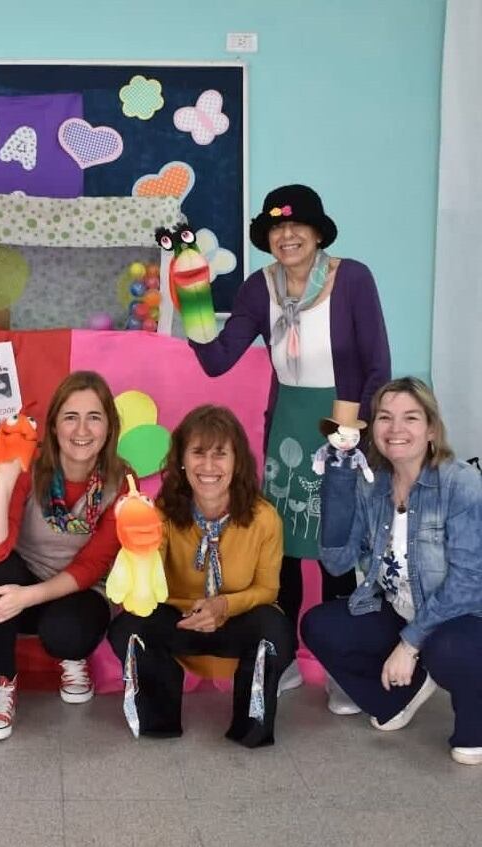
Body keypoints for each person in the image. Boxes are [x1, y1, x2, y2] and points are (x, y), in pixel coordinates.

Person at [188, 184, 390, 708]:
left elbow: (377, 365)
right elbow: (216, 360)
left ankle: (344, 669)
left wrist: (354, 429)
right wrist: (192, 301)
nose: (287, 235)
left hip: (342, 426)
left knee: (336, 552)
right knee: (278, 551)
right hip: (287, 430)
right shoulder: (260, 287)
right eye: (277, 228)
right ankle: (280, 657)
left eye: (298, 225)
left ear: (318, 232)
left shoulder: (353, 278)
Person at [301, 378, 482, 765]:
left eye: (410, 418)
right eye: (385, 417)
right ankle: (402, 692)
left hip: (461, 616)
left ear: (431, 429)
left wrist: (409, 643)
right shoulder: (373, 486)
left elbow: (469, 583)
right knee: (319, 625)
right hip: (400, 608)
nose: (396, 429)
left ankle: (473, 718)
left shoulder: (460, 484)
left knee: (449, 651)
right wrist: (337, 480)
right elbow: (337, 561)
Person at [108, 405, 295, 747]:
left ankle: (250, 727)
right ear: (181, 459)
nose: (208, 466)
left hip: (236, 619)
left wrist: (224, 605)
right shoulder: (160, 514)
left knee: (276, 632)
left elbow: (268, 589)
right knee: (128, 628)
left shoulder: (265, 519)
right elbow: (149, 584)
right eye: (197, 453)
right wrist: (135, 541)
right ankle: (159, 717)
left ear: (237, 462)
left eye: (220, 454)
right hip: (180, 619)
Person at [0, 371, 130, 741]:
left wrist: (25, 598)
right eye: (70, 417)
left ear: (109, 426)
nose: (82, 430)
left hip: (79, 594)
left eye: (94, 417)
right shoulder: (33, 467)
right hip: (25, 579)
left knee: (67, 632)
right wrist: (5, 476)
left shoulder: (122, 483)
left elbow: (92, 566)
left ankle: (73, 659)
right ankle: (2, 682)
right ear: (54, 425)